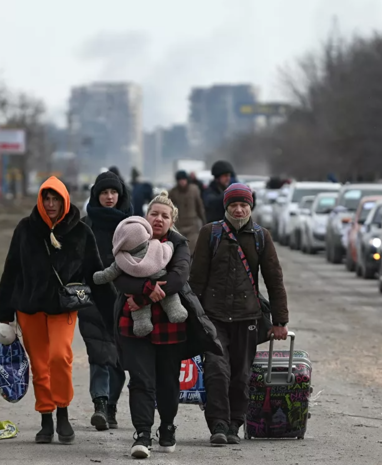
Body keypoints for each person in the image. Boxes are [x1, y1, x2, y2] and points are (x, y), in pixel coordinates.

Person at [0, 176, 117, 444]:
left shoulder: (81, 231)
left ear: (64, 200)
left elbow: (95, 273)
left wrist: (113, 314)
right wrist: (4, 316)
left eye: (55, 199)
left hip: (63, 308)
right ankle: (46, 418)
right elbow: (11, 270)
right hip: (29, 308)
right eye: (46, 198)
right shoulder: (26, 229)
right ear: (40, 200)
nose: (50, 204)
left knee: (60, 357)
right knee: (40, 365)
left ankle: (63, 411)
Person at [111, 191, 222, 459]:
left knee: (168, 381)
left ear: (172, 221)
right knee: (140, 380)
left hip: (171, 326)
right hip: (134, 326)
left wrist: (144, 294)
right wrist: (147, 288)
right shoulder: (131, 237)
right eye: (154, 214)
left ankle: (168, 426)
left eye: (165, 216)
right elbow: (118, 276)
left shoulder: (179, 244)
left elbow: (178, 277)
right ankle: (142, 433)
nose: (158, 219)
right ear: (146, 217)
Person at [190, 183, 289, 446]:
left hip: (248, 318)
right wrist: (190, 317)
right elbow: (196, 280)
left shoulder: (261, 236)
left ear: (250, 206)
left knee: (241, 375)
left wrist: (280, 321)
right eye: (233, 204)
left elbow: (274, 279)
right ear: (226, 207)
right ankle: (219, 424)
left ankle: (235, 424)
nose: (238, 209)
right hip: (213, 317)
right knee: (216, 370)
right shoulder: (210, 233)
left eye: (243, 204)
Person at [83, 171, 131, 430]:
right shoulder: (84, 225)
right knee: (99, 354)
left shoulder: (133, 225)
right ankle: (100, 405)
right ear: (96, 195)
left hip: (125, 300)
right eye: (104, 193)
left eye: (113, 192)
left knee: (119, 359)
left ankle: (110, 406)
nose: (109, 197)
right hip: (91, 300)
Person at [168, 170, 206, 249]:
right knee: (181, 247)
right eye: (180, 180)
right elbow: (169, 207)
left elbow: (199, 206)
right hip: (179, 225)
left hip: (192, 225)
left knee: (192, 247)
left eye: (184, 179)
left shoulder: (194, 190)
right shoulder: (173, 192)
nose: (182, 182)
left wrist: (203, 221)